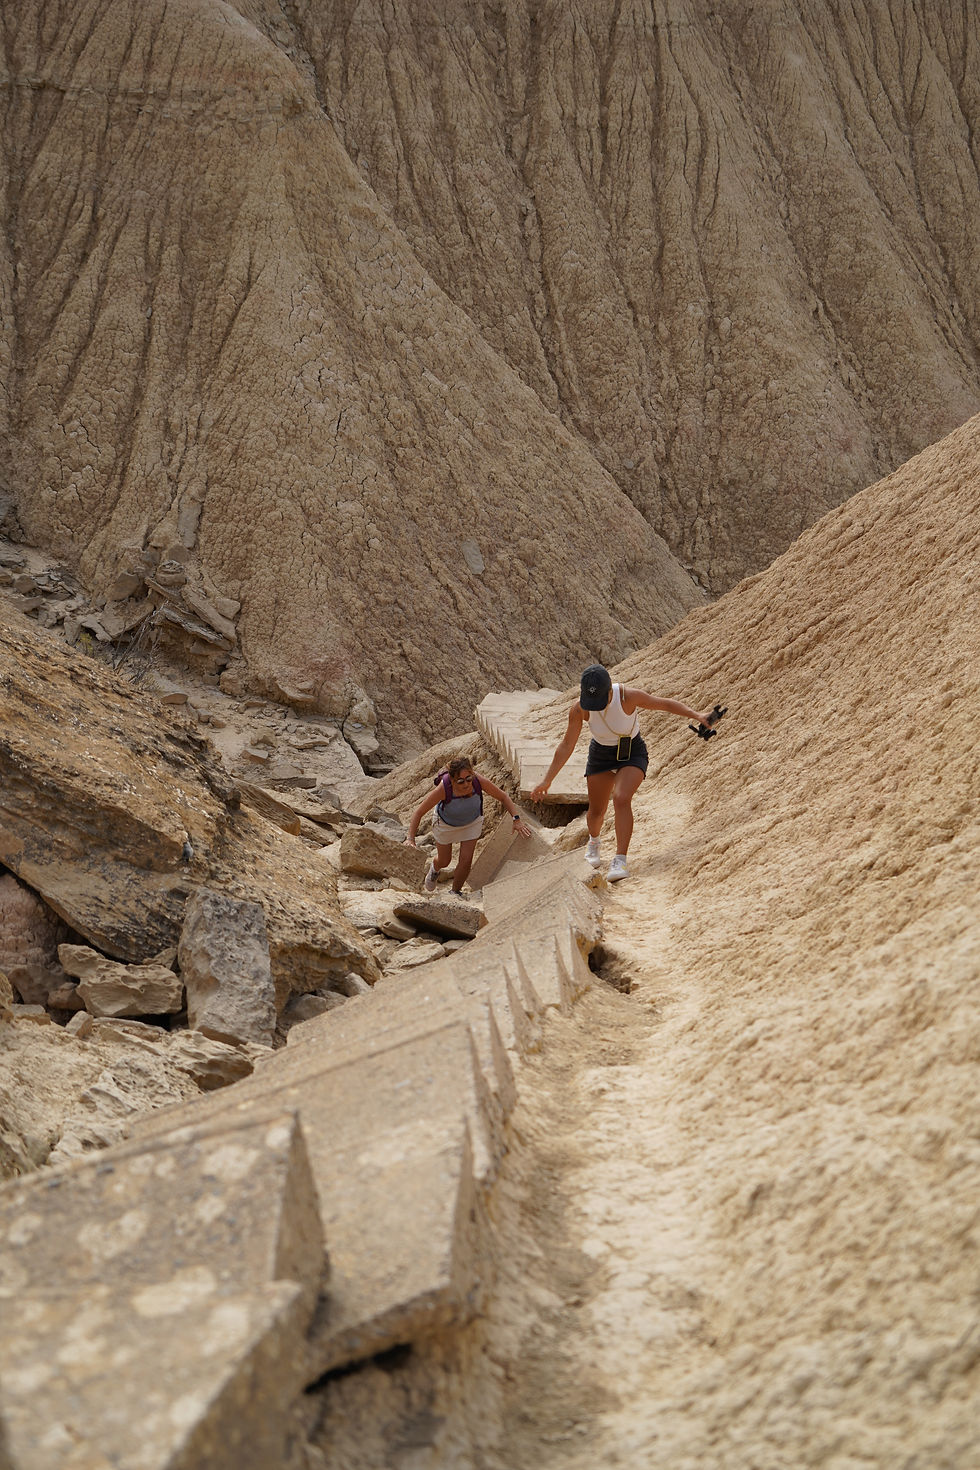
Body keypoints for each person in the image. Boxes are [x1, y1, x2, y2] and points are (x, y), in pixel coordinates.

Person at [530, 664, 715, 883]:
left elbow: (663, 704)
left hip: (631, 752)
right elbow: (567, 745)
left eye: (600, 700)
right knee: (596, 811)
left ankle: (620, 859)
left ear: (610, 691)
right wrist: (547, 780)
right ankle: (594, 842)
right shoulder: (579, 708)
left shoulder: (628, 697)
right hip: (600, 755)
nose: (596, 707)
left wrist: (697, 715)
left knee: (621, 798)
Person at [406, 755, 533, 895]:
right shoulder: (444, 788)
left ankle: (455, 892)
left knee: (466, 861)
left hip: (472, 822)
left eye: (468, 779)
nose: (466, 784)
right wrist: (411, 839)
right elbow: (419, 812)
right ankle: (435, 869)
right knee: (444, 860)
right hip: (445, 824)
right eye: (460, 781)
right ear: (453, 781)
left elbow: (503, 796)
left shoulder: (478, 781)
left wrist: (516, 819)